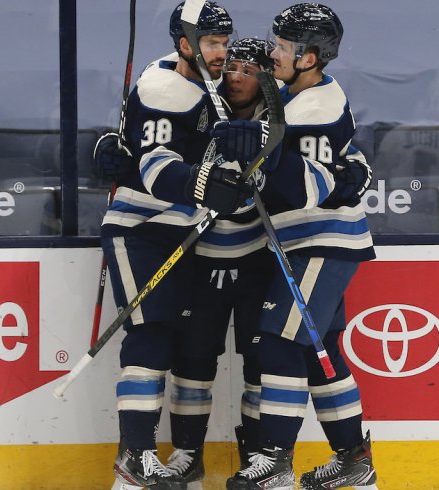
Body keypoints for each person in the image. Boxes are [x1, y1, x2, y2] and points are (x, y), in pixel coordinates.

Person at [222, 4, 378, 490]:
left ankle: (275, 461)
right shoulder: (295, 97)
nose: (273, 53)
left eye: (284, 48)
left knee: (278, 341)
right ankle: (354, 462)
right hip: (307, 242)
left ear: (310, 57)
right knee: (319, 352)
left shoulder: (313, 107)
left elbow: (311, 186)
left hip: (320, 241)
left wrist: (259, 154)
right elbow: (350, 161)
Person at [98, 2, 253, 489]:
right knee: (150, 334)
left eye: (224, 43)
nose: (221, 53)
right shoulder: (165, 86)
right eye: (210, 43)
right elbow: (156, 169)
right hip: (141, 229)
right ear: (184, 43)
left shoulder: (211, 83)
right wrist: (204, 185)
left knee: (187, 345)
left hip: (188, 234)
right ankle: (135, 462)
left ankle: (185, 459)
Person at [162, 37, 278, 485]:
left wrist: (351, 174)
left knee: (260, 364)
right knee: (191, 362)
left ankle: (256, 457)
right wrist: (117, 153)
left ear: (267, 77)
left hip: (257, 262)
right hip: (200, 258)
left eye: (250, 70)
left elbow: (341, 156)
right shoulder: (199, 110)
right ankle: (187, 454)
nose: (236, 77)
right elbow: (160, 153)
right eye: (232, 67)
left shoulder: (281, 118)